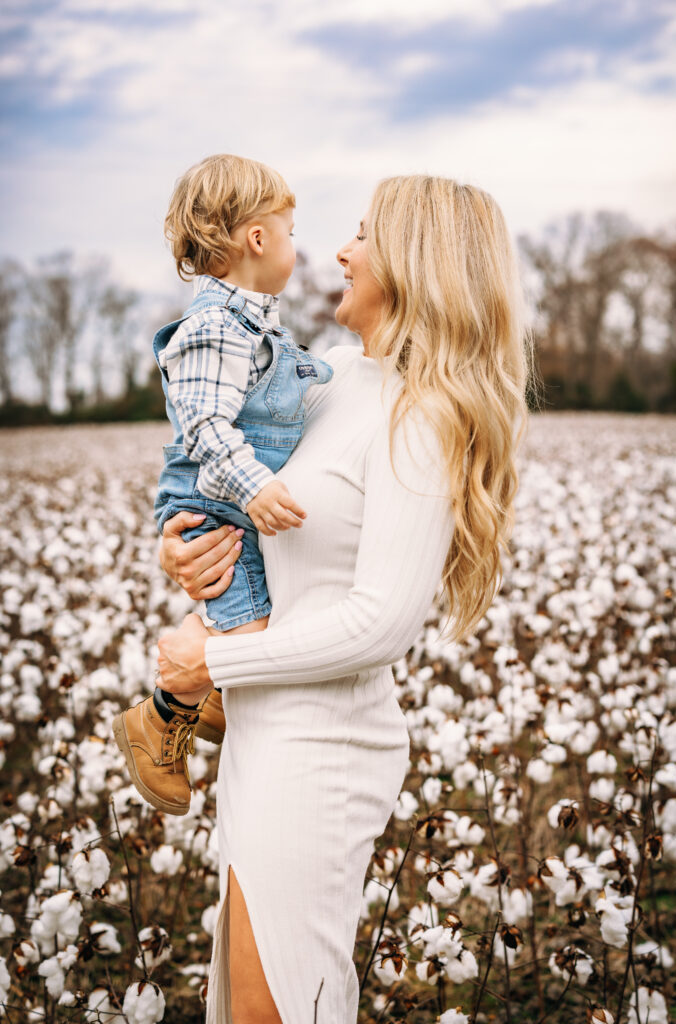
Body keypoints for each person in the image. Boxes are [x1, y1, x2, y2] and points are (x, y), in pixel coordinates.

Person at [156, 175, 531, 1023]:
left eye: (363, 235)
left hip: (321, 752)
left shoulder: (423, 415)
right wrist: (182, 549)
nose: (339, 251)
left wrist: (211, 658)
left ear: (413, 264)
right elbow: (235, 499)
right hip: (266, 735)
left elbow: (380, 623)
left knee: (275, 1009)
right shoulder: (333, 384)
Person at [112, 154, 333, 817]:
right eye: (290, 232)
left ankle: (205, 698)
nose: (296, 246)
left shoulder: (256, 324)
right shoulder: (214, 326)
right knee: (251, 631)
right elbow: (204, 426)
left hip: (231, 504)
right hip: (216, 504)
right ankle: (160, 720)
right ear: (258, 239)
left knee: (246, 617)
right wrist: (255, 489)